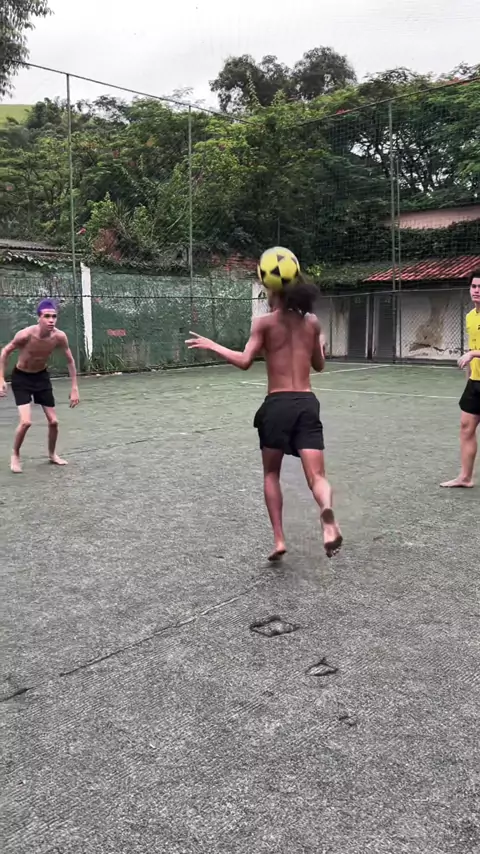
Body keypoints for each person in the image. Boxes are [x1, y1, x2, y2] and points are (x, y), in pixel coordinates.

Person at [186, 277, 342, 560]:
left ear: (274, 294)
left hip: (277, 404)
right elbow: (319, 365)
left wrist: (213, 345)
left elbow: (245, 361)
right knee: (317, 476)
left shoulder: (264, 323)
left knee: (271, 473)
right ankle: (326, 513)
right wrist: (320, 344)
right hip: (307, 403)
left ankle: (279, 540)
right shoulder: (312, 323)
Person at [0, 299, 80, 473]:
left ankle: (52, 454)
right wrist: (1, 379)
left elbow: (70, 361)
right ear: (39, 318)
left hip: (41, 378)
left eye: (54, 316)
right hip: (22, 378)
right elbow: (5, 351)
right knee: (26, 422)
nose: (51, 320)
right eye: (47, 316)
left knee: (54, 422)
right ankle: (15, 454)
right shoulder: (25, 335)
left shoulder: (59, 337)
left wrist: (74, 388)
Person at [441, 270, 480, 488]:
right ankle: (465, 477)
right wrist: (469, 377)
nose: (477, 290)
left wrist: (472, 354)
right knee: (466, 427)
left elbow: (473, 351)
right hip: (476, 382)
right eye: (474, 286)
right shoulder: (470, 317)